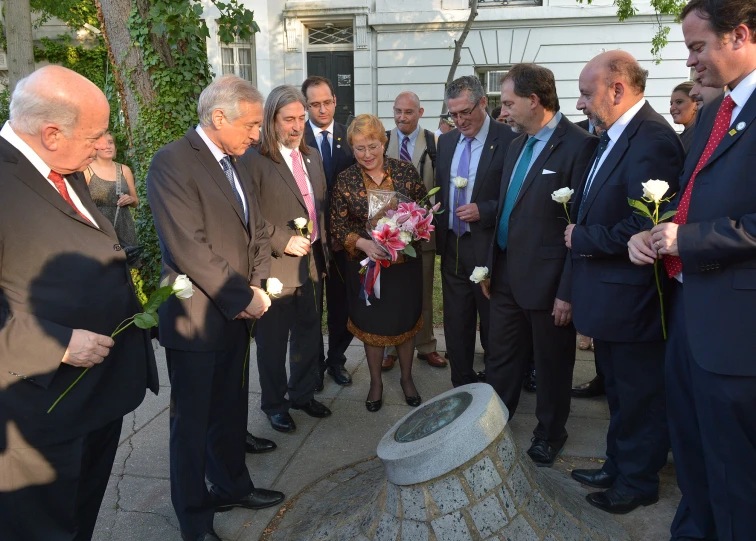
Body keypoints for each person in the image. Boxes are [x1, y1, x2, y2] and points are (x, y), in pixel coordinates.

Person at [0, 65, 159, 540]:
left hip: (97, 398)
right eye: (94, 135)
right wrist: (56, 345)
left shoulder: (63, 167)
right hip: (38, 414)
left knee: (79, 522)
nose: (101, 145)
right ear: (51, 133)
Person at [628, 0, 756, 538]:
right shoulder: (713, 112)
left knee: (734, 470)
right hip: (687, 316)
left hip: (735, 329)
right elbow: (692, 197)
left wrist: (691, 239)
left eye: (697, 47)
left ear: (741, 35)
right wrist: (652, 231)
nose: (689, 62)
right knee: (693, 452)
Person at [147, 75, 283, 541]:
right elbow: (188, 246)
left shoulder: (238, 160)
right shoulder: (171, 162)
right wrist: (243, 296)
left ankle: (230, 485)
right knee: (192, 425)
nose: (256, 135)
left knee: (229, 409)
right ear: (218, 117)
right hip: (197, 319)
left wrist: (259, 284)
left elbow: (257, 229)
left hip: (239, 309)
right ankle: (194, 519)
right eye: (250, 125)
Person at [565, 51, 685, 514]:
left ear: (617, 89)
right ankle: (617, 464)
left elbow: (645, 224)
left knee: (639, 396)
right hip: (612, 298)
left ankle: (637, 482)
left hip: (635, 299)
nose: (580, 105)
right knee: (618, 391)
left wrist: (582, 237)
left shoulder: (651, 138)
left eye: (585, 93)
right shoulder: (615, 136)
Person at [482, 63, 599, 467]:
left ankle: (550, 433)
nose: (505, 111)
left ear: (534, 101)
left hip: (550, 284)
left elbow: (580, 223)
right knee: (501, 357)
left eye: (510, 103)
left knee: (551, 365)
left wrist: (568, 290)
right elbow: (506, 211)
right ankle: (493, 423)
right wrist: (488, 266)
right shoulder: (516, 144)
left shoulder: (580, 145)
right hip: (505, 275)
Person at [243, 85, 331, 434]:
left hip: (312, 262)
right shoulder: (255, 160)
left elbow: (317, 206)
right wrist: (283, 239)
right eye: (288, 120)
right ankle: (275, 404)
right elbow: (249, 215)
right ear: (271, 120)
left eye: (301, 119)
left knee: (310, 333)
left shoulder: (310, 156)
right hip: (276, 265)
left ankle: (303, 394)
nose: (297, 127)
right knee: (273, 341)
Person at [330, 114, 427, 412]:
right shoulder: (345, 179)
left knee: (404, 320)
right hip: (366, 268)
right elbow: (337, 225)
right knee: (373, 324)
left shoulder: (405, 172)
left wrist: (409, 233)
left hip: (403, 268)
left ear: (384, 143)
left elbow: (422, 211)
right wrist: (364, 244)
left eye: (372, 146)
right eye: (359, 148)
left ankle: (407, 379)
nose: (367, 154)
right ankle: (375, 383)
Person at [435, 75, 516, 387]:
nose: (459, 121)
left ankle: (496, 390)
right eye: (453, 114)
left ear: (483, 102)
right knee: (456, 322)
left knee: (494, 323)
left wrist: (485, 210)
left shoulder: (509, 139)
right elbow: (441, 188)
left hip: (488, 248)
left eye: (465, 112)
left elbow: (516, 196)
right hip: (454, 244)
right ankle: (462, 386)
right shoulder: (447, 141)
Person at [382, 91, 446, 370]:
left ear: (420, 112)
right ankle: (392, 348)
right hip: (389, 233)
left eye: (408, 112)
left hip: (423, 233)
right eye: (397, 111)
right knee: (392, 292)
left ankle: (426, 345)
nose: (401, 117)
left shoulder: (434, 142)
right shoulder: (382, 140)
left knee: (422, 291)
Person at [301, 76, 356, 390]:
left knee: (341, 305)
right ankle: (311, 367)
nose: (322, 109)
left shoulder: (350, 136)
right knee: (311, 307)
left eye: (326, 102)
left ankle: (336, 360)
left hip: (344, 240)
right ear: (307, 105)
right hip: (309, 239)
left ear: (335, 100)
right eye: (314, 104)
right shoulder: (297, 136)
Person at [85, 132, 140, 260]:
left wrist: (130, 199)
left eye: (110, 142)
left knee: (127, 268)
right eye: (103, 143)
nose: (108, 146)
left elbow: (135, 201)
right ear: (94, 147)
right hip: (100, 228)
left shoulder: (124, 170)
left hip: (124, 227)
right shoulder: (86, 170)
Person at [670, 80, 698, 153]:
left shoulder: (700, 136)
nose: (672, 108)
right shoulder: (680, 137)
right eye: (671, 104)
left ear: (696, 103)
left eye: (679, 102)